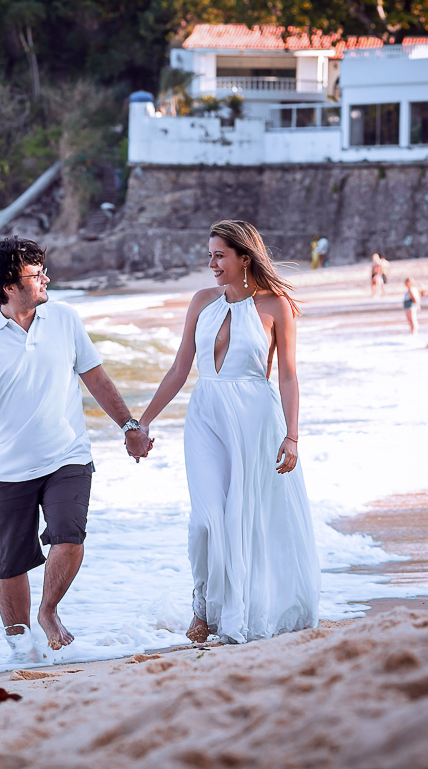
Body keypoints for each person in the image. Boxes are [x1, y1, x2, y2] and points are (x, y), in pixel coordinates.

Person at [0, 237, 151, 651]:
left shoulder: (64, 318)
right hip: (10, 468)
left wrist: (129, 426)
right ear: (10, 286)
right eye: (35, 273)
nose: (46, 278)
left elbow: (95, 378)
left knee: (70, 535)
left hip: (68, 455)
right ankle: (19, 649)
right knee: (10, 564)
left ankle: (48, 611)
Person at [135, 220, 319, 644]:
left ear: (244, 259)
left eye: (220, 255)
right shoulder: (202, 301)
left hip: (255, 418)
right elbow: (180, 369)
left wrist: (292, 436)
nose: (212, 263)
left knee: (244, 517)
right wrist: (143, 421)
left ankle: (234, 611)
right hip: (206, 413)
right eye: (211, 254)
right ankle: (202, 603)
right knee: (205, 519)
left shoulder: (276, 307)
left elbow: (288, 376)